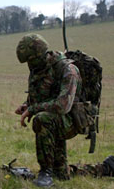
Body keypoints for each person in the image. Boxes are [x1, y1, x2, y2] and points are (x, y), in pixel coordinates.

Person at [15, 33, 83, 187]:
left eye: (30, 60)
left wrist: (33, 109)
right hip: (58, 118)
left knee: (42, 119)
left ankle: (45, 172)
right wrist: (27, 105)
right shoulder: (41, 68)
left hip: (73, 119)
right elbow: (43, 95)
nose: (29, 65)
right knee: (63, 174)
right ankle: (105, 168)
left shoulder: (68, 70)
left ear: (40, 55)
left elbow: (62, 105)